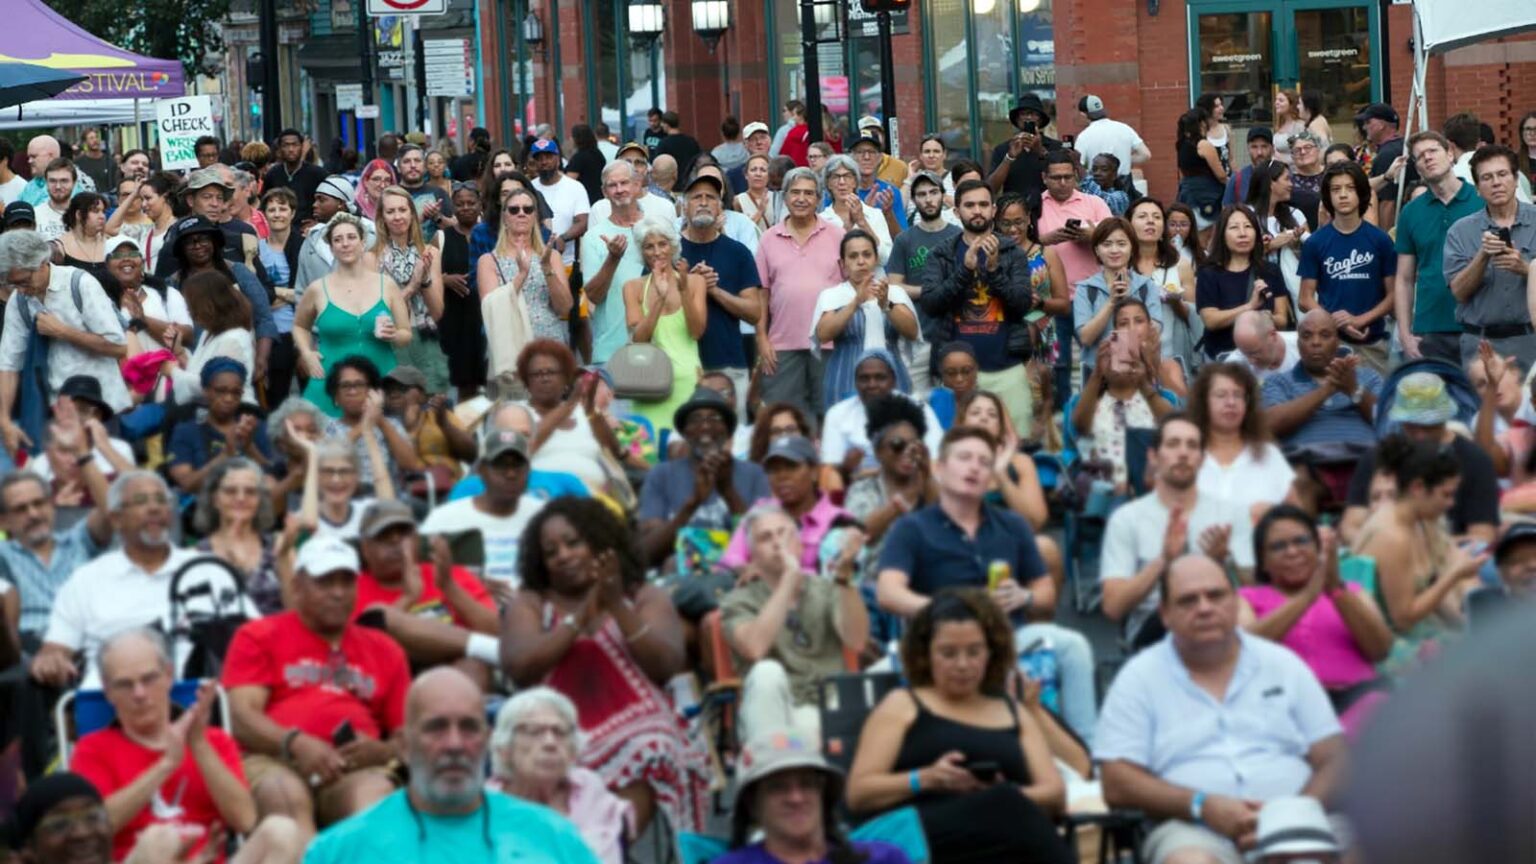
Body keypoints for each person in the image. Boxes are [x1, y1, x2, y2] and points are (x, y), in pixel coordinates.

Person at [1096, 554, 1345, 864]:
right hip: (1194, 827)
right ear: (1165, 614)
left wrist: (1290, 818)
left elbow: (1335, 757)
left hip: (1301, 815)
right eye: (1188, 601)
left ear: (1235, 601)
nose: (1204, 608)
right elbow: (1116, 782)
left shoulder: (1282, 664)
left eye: (1216, 595)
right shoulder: (1139, 678)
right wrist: (1201, 805)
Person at [501, 497, 711, 835]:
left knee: (653, 747)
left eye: (573, 543)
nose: (563, 556)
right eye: (551, 551)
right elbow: (519, 665)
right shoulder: (531, 603)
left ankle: (611, 846)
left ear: (600, 543)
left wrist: (616, 606)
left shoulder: (642, 596)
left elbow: (666, 663)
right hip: (557, 729)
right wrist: (577, 618)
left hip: (639, 723)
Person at [847, 588, 1072, 864]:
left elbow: (1054, 793)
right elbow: (858, 792)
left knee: (1007, 805)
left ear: (991, 652)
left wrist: (993, 798)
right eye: (948, 653)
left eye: (974, 652)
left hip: (999, 833)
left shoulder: (1012, 709)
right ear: (925, 654)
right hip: (918, 834)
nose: (963, 664)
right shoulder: (903, 705)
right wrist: (926, 778)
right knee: (1008, 807)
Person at [302, 667, 602, 864]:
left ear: (486, 741)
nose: (455, 744)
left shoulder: (554, 838)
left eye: (469, 728)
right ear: (404, 746)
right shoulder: (340, 851)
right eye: (436, 728)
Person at [221, 536, 405, 838]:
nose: (338, 593)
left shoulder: (385, 649)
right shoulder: (259, 635)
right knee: (286, 797)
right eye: (325, 583)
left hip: (353, 769)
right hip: (274, 760)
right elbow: (240, 717)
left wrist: (381, 751)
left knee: (374, 797)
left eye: (347, 583)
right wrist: (296, 743)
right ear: (297, 586)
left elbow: (408, 737)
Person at [71, 629, 295, 863]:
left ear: (169, 675)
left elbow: (245, 819)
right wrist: (165, 765)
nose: (139, 693)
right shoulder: (92, 749)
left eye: (149, 679)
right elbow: (97, 828)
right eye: (125, 685)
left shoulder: (213, 741)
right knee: (159, 839)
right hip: (141, 858)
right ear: (107, 691)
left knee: (282, 831)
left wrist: (198, 745)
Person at [29, 471, 196, 689]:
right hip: (111, 701)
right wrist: (50, 661)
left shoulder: (205, 569)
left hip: (198, 693)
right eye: (140, 501)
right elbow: (55, 649)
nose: (154, 508)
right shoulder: (87, 579)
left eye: (161, 500)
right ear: (116, 519)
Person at [720, 503, 869, 739]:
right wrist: (789, 579)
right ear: (753, 557)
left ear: (799, 543)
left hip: (832, 699)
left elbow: (857, 640)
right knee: (766, 671)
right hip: (782, 710)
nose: (777, 543)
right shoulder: (737, 600)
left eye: (783, 533)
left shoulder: (828, 588)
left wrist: (843, 579)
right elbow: (754, 647)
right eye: (765, 538)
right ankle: (777, 767)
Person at [1237, 507, 1393, 732]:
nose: (1292, 551)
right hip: (1287, 707)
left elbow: (1380, 650)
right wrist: (1307, 596)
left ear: (1318, 548)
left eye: (1301, 541)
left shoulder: (1351, 592)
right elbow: (1245, 648)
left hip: (1360, 698)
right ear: (1263, 562)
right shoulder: (1246, 598)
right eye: (1278, 546)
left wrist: (1335, 591)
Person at [1098, 413, 1247, 646]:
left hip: (1223, 620)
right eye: (1173, 444)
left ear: (1202, 458)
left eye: (1192, 445)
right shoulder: (1126, 519)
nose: (1183, 453)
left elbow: (1256, 591)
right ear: (1153, 456)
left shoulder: (1230, 513)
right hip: (1155, 630)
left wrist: (1222, 565)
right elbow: (1113, 607)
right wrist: (1163, 561)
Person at [1351, 434, 1489, 673]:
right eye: (1445, 494)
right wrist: (1454, 575)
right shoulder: (1393, 536)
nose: (1451, 503)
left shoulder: (1419, 522)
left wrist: (1473, 631)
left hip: (1421, 631)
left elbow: (1426, 592)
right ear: (1417, 488)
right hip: (1387, 645)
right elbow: (1403, 618)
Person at [919, 180, 1038, 434]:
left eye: (983, 204)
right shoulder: (941, 254)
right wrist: (965, 269)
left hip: (1007, 368)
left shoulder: (1011, 252)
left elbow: (1021, 305)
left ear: (993, 210)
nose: (977, 211)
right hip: (957, 374)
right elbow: (931, 305)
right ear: (957, 211)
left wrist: (994, 271)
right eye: (970, 205)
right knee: (958, 446)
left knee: (1018, 445)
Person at [0, 229, 131, 457]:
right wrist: (4, 419)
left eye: (24, 281)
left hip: (102, 408)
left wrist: (63, 332)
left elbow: (118, 346)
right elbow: (9, 364)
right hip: (56, 412)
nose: (21, 289)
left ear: (42, 263)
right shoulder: (19, 301)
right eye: (14, 284)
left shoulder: (79, 284)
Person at [1338, 371, 1500, 545]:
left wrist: (1424, 552)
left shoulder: (1474, 460)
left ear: (1445, 419)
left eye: (1429, 426)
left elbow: (1483, 536)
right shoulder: (1379, 457)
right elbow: (1351, 525)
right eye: (1412, 427)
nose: (1421, 436)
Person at [0, 408, 113, 649]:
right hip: (27, 654)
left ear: (51, 507)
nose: (33, 513)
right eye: (21, 509)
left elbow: (111, 512)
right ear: (4, 521)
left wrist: (83, 451)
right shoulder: (2, 558)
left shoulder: (79, 540)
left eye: (39, 504)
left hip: (88, 644)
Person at [488, 687, 636, 864]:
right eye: (534, 731)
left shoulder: (589, 791)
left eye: (560, 732)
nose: (550, 743)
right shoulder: (484, 809)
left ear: (573, 750)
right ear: (505, 749)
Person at [293, 213, 411, 415]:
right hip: (330, 381)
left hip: (380, 377)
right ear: (331, 248)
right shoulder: (318, 289)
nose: (345, 244)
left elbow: (405, 335)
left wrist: (393, 335)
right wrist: (307, 353)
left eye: (351, 237)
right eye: (337, 240)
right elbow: (300, 326)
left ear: (363, 242)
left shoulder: (387, 285)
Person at [755, 167, 845, 414]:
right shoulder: (768, 239)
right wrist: (762, 338)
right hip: (782, 345)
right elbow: (762, 294)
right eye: (795, 192)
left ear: (818, 199)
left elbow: (851, 288)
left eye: (808, 193)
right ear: (784, 197)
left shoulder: (837, 236)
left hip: (829, 344)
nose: (801, 199)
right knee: (783, 416)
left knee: (830, 414)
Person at [1189, 363, 1295, 563]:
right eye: (1221, 395)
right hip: (1198, 570)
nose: (1231, 402)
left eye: (1238, 395)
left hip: (1262, 568)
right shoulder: (1186, 455)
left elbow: (1296, 516)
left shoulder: (1269, 455)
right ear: (1204, 402)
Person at [1297, 162, 1395, 374]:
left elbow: (1394, 295)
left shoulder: (1380, 240)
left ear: (1361, 193)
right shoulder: (1316, 242)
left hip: (1374, 342)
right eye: (1335, 189)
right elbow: (1305, 299)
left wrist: (1360, 320)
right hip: (1330, 344)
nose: (1342, 195)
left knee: (1373, 403)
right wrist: (1335, 322)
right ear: (1327, 196)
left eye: (1350, 188)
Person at [1395, 132, 1484, 364]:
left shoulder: (1482, 201)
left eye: (1433, 151)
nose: (1428, 158)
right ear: (1418, 168)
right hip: (1430, 327)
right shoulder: (1410, 212)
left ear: (1450, 153)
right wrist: (1404, 333)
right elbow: (1404, 279)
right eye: (1420, 156)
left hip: (1481, 323)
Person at [419, 428, 546, 587]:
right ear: (481, 470)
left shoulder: (543, 515)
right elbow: (421, 575)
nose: (511, 474)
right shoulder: (445, 519)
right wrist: (473, 586)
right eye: (501, 465)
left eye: (518, 465)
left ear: (528, 469)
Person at [1446, 144, 1536, 368]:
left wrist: (1526, 269)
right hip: (1480, 343)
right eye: (1486, 177)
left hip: (1530, 340)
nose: (1496, 182)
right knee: (1483, 404)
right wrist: (1483, 255)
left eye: (1502, 174)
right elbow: (1458, 292)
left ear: (1516, 180)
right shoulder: (1460, 231)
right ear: (1477, 188)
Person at [812, 229, 919, 411]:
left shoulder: (894, 292)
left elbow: (912, 331)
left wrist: (886, 304)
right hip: (845, 379)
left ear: (876, 259)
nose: (861, 261)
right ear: (842, 264)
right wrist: (855, 302)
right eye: (853, 256)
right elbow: (823, 334)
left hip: (893, 378)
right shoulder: (832, 295)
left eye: (867, 255)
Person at [679, 172, 762, 406]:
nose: (703, 202)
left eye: (711, 197)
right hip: (683, 366)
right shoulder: (669, 251)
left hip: (729, 365)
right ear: (684, 207)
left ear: (720, 208)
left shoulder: (737, 253)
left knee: (734, 439)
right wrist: (688, 286)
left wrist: (714, 290)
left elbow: (755, 312)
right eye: (696, 197)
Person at [620, 215, 706, 435]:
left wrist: (684, 289)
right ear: (642, 252)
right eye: (649, 247)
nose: (657, 252)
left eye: (662, 244)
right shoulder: (633, 287)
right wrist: (659, 298)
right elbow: (639, 339)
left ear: (673, 246)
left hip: (688, 381)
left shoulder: (695, 282)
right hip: (649, 385)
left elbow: (696, 332)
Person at [887, 172, 964, 398]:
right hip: (916, 337)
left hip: (954, 334)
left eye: (933, 192)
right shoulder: (905, 240)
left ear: (942, 195)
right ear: (914, 200)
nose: (928, 199)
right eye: (921, 194)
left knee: (954, 402)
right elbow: (894, 287)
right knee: (917, 402)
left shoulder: (958, 236)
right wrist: (931, 292)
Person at [1261, 309, 1381, 449]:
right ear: (1298, 343)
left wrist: (1354, 389)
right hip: (1305, 464)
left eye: (1325, 335)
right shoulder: (1278, 382)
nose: (1316, 342)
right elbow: (1270, 426)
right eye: (1307, 336)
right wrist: (1327, 389)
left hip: (1361, 462)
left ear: (1337, 342)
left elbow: (1387, 420)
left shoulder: (1369, 377)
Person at [368, 185, 448, 392]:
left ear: (412, 214)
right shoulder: (371, 258)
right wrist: (412, 286)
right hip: (389, 343)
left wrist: (425, 279)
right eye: (390, 211)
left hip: (425, 340)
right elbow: (375, 313)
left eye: (402, 210)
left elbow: (438, 312)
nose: (397, 217)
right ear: (381, 217)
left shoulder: (430, 252)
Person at [821, 350, 944, 476]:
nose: (872, 385)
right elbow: (828, 471)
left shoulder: (917, 408)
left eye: (880, 378)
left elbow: (936, 462)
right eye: (864, 378)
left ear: (894, 380)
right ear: (855, 383)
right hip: (855, 488)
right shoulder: (837, 414)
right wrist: (845, 469)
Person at [1074, 217, 1167, 374]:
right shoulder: (1086, 289)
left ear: (1132, 248)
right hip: (1097, 375)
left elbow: (1153, 333)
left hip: (1140, 373)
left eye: (1121, 244)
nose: (1114, 250)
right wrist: (1111, 302)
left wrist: (1127, 300)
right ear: (1097, 250)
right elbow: (1085, 338)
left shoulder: (1146, 286)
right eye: (1107, 244)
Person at [1196, 206, 1290, 359]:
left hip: (1262, 357)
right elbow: (1211, 320)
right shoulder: (1209, 273)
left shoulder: (1270, 271)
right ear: (1222, 235)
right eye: (1234, 227)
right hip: (1222, 359)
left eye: (1248, 226)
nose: (1242, 233)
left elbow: (1282, 320)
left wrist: (1266, 318)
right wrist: (1250, 307)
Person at [578, 162, 647, 364]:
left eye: (624, 183)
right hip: (611, 351)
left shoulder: (655, 228)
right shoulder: (593, 237)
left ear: (637, 185)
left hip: (657, 347)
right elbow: (593, 296)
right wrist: (613, 258)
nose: (619, 190)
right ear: (604, 192)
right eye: (612, 185)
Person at [1129, 198, 1201, 378]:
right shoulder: (1120, 266)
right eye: (1143, 216)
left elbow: (1194, 315)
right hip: (1129, 356)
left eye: (1156, 217)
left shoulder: (1180, 265)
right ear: (1129, 225)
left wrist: (1176, 302)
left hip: (1171, 354)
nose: (1150, 221)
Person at [1039, 150, 1113, 293]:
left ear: (1076, 176)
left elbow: (1116, 241)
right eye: (1056, 178)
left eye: (1068, 177)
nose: (1063, 183)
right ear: (1044, 178)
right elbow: (1019, 247)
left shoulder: (1095, 203)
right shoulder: (1033, 206)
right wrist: (1046, 240)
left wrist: (1094, 236)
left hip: (1092, 293)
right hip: (1049, 298)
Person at [1244, 161, 1310, 305]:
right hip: (1257, 287)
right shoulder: (1245, 215)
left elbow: (1311, 256)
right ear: (1270, 182)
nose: (1291, 184)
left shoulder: (1296, 215)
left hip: (1294, 288)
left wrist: (1296, 246)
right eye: (1286, 179)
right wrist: (1271, 245)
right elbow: (1236, 255)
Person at [987, 94, 1063, 206]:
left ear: (1040, 119)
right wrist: (1009, 157)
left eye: (1033, 114)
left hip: (1049, 208)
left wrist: (1041, 151)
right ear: (1017, 119)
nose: (1028, 118)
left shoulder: (1056, 147)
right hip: (1014, 211)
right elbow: (991, 188)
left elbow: (1063, 179)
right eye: (1024, 114)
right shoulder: (1003, 149)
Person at [528, 139, 590, 270]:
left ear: (558, 158)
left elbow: (583, 222)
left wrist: (563, 238)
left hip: (567, 264)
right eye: (539, 158)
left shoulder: (575, 187)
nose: (544, 162)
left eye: (549, 157)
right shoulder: (529, 188)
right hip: (533, 264)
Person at [1175, 108, 1229, 235]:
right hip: (1208, 194)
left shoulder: (1182, 145)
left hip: (1187, 192)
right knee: (1208, 233)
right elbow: (1221, 175)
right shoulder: (1203, 145)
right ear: (1202, 124)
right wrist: (1232, 185)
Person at [1357, 102, 1411, 228]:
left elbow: (1388, 203)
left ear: (1381, 125)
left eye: (1368, 122)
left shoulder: (1387, 154)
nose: (1364, 127)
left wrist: (1385, 239)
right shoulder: (1403, 146)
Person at [1073, 94, 1151, 179]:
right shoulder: (1124, 128)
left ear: (1083, 114)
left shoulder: (1084, 137)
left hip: (1099, 186)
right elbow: (1145, 154)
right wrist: (1124, 160)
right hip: (1124, 185)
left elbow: (1077, 165)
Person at [264, 130, 328, 225]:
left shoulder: (317, 173)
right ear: (280, 149)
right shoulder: (272, 174)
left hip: (308, 229)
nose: (291, 149)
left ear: (302, 147)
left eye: (295, 145)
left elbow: (328, 201)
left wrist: (319, 222)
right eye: (286, 145)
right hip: (279, 227)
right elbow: (265, 202)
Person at [396, 144, 452, 241]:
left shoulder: (439, 193)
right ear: (398, 167)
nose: (413, 165)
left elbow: (454, 227)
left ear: (425, 166)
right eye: (407, 161)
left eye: (417, 161)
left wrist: (437, 217)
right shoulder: (391, 195)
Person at [1221, 127, 1276, 207]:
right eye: (1254, 147)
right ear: (1248, 148)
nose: (1259, 152)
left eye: (1264, 146)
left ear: (1272, 148)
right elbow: (1226, 211)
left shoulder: (1283, 177)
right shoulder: (1237, 180)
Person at [55, 192, 107, 267]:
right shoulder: (59, 247)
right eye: (95, 211)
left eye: (104, 211)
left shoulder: (110, 243)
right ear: (79, 214)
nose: (102, 216)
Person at [565, 124, 606, 205]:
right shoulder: (598, 154)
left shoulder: (579, 158)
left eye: (572, 136)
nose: (570, 139)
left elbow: (568, 181)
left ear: (577, 139)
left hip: (584, 200)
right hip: (599, 197)